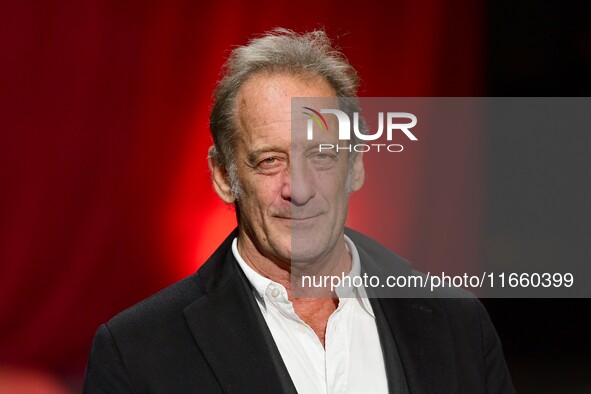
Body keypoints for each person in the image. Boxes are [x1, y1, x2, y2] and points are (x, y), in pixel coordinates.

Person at [84, 28, 515, 393]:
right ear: (222, 175)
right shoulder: (137, 353)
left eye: (322, 155)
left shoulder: (458, 324)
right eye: (270, 160)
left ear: (357, 165)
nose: (300, 189)